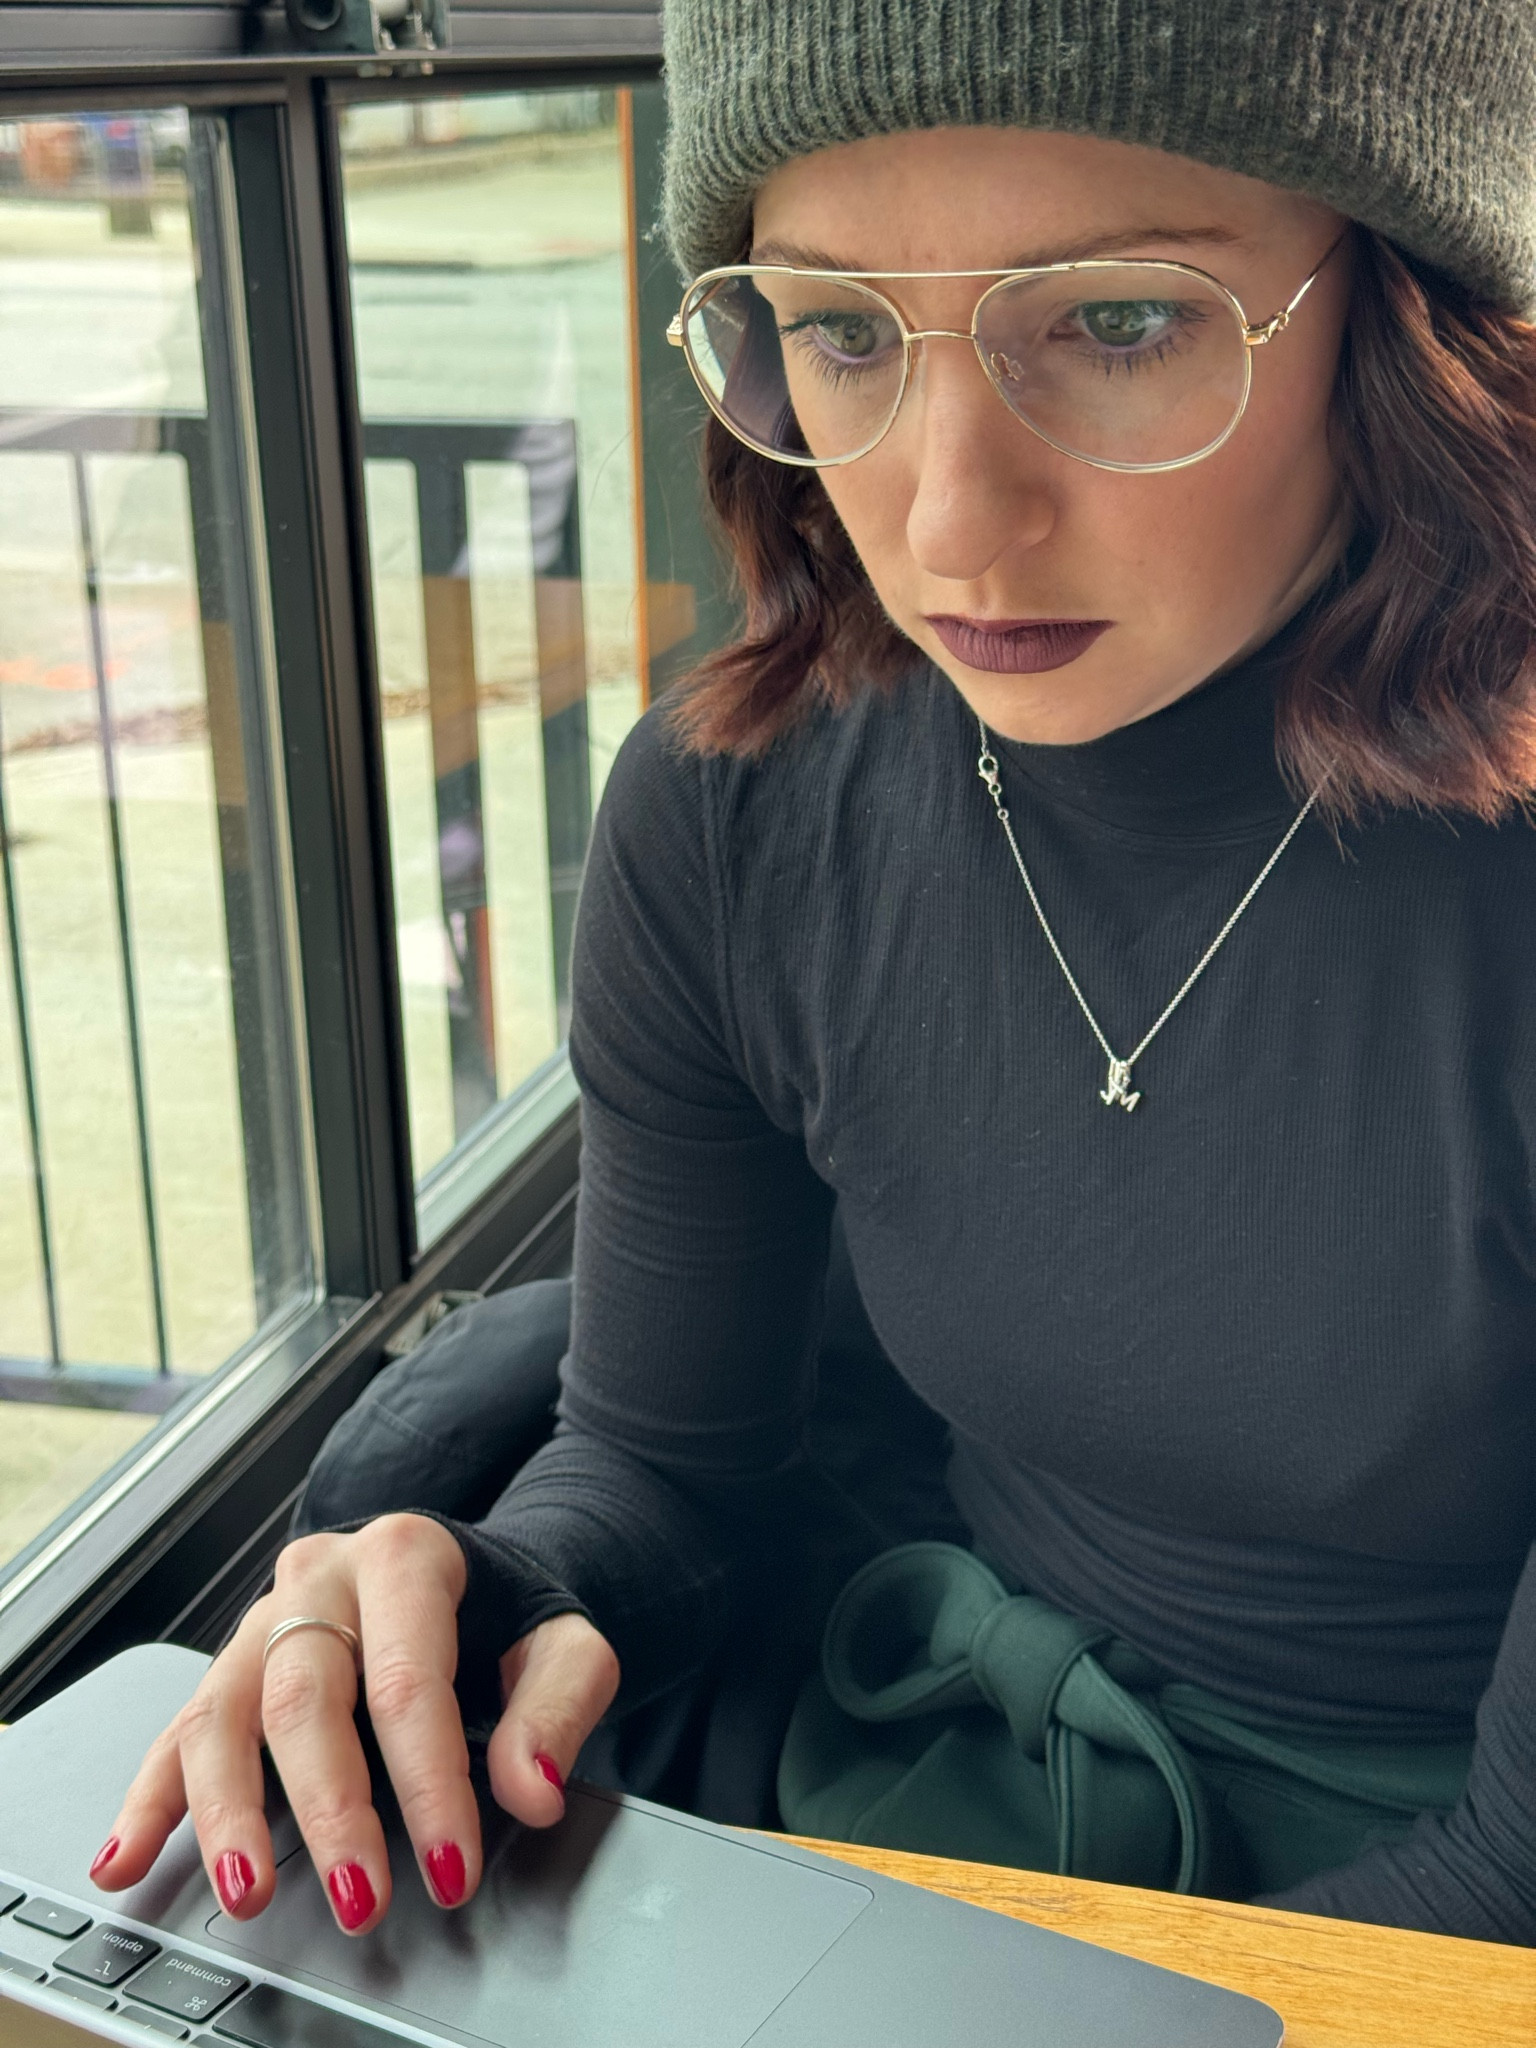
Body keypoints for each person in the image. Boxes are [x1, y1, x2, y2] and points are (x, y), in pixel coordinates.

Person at [92, 0, 1536, 1948]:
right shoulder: (735, 816)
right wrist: (478, 1600)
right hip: (895, 1805)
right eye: (842, 331)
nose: (949, 519)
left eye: (1118, 323)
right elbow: (669, 1465)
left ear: (1418, 315)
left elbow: (1507, 1885)